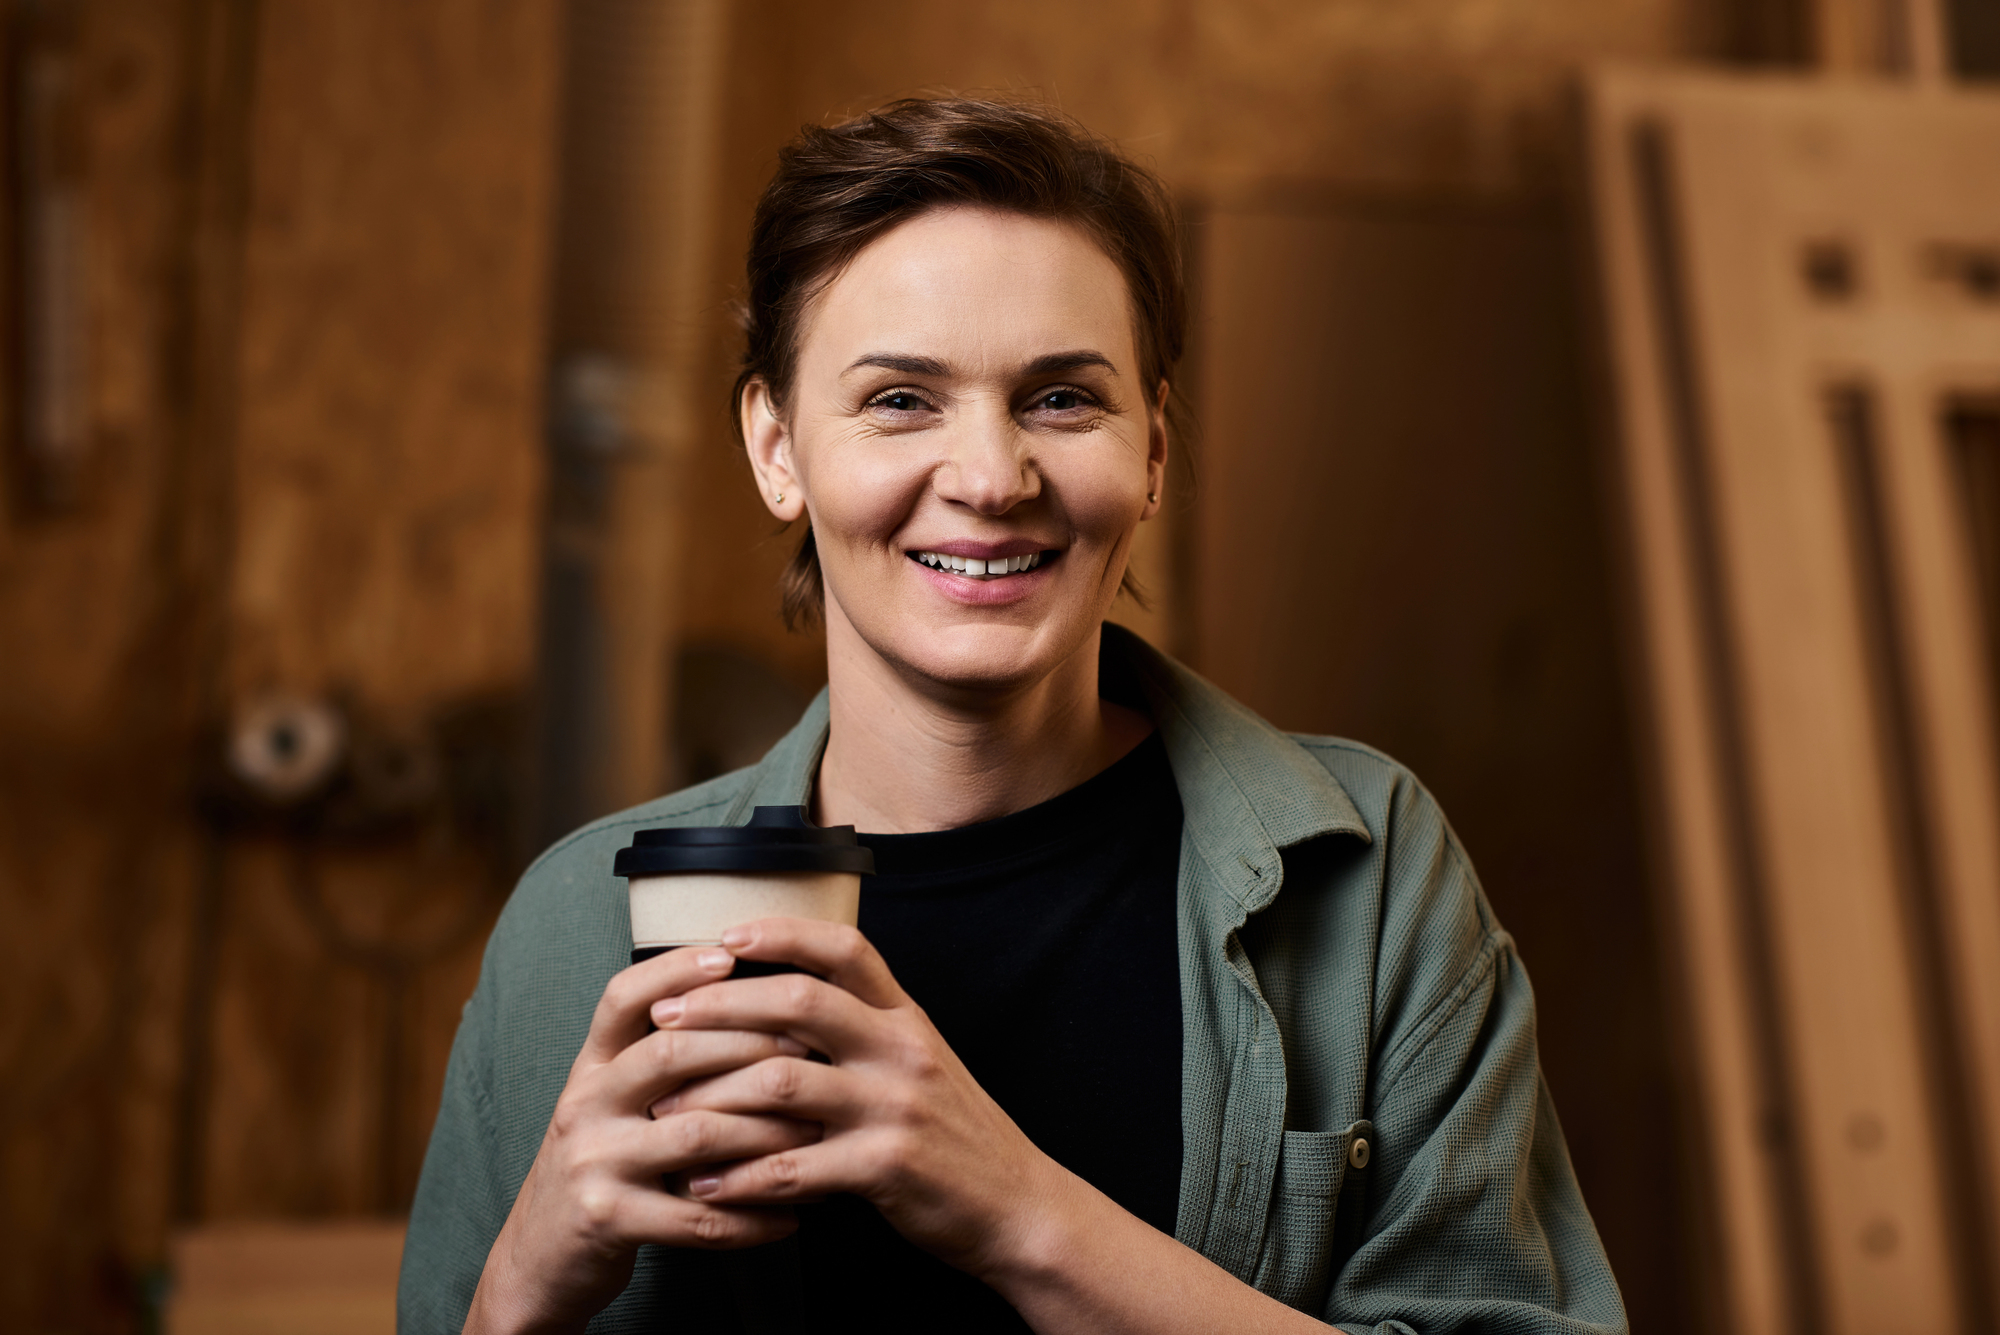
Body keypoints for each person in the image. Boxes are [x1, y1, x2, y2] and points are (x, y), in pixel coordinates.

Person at [400, 97, 1627, 1335]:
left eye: (1058, 399)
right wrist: (520, 1290)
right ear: (776, 449)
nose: (990, 478)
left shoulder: (1368, 878)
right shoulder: (571, 928)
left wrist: (1017, 1213)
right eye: (897, 401)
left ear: (1153, 445)